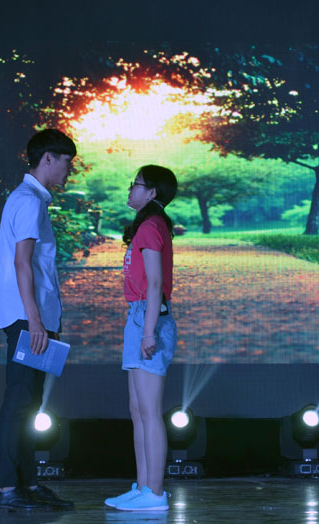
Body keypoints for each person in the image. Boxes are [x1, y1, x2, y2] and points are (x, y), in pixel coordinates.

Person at [0, 129, 76, 510]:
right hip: (28, 319)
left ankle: (26, 483)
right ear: (48, 159)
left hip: (35, 317)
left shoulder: (33, 200)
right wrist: (35, 321)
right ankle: (7, 489)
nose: (69, 170)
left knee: (29, 404)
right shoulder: (27, 200)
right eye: (66, 161)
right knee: (19, 401)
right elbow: (22, 263)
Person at [105, 165, 178, 512]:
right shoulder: (148, 225)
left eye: (135, 184)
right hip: (138, 316)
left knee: (149, 411)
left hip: (148, 318)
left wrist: (148, 332)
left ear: (152, 192)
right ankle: (144, 486)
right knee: (138, 410)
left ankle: (156, 493)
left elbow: (154, 283)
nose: (130, 189)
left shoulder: (151, 226)